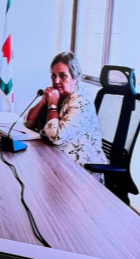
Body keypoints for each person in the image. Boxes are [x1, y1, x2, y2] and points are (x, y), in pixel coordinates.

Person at [24, 52, 108, 182]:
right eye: (53, 76)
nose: (56, 81)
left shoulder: (82, 102)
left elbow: (57, 137)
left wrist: (52, 106)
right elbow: (28, 124)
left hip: (82, 171)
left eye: (63, 76)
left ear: (75, 78)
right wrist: (42, 102)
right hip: (56, 160)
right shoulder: (58, 96)